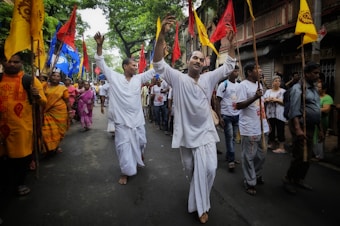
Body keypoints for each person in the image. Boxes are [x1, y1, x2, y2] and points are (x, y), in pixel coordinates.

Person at [152, 16, 236, 224]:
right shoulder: (178, 79)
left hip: (206, 132)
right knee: (191, 169)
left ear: (204, 63)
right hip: (186, 134)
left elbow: (229, 67)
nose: (198, 61)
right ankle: (197, 196)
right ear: (188, 61)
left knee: (209, 169)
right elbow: (158, 63)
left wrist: (232, 44)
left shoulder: (209, 78)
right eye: (194, 58)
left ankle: (201, 206)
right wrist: (161, 35)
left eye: (201, 59)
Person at [94, 32, 156, 185]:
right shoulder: (114, 77)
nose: (136, 67)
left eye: (136, 65)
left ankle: (140, 154)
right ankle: (126, 172)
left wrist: (161, 50)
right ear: (125, 66)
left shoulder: (139, 78)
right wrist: (99, 45)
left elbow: (156, 69)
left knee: (142, 142)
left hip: (137, 120)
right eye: (133, 65)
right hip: (121, 122)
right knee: (123, 148)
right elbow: (100, 62)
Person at [0, 51, 47, 196]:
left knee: (20, 158)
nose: (12, 64)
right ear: (2, 62)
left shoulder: (29, 80)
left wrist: (36, 95)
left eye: (16, 62)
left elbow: (43, 102)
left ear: (21, 64)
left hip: (21, 128)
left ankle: (20, 183)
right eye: (9, 61)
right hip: (1, 127)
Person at [282, 62, 323, 195]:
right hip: (299, 125)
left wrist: (320, 128)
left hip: (312, 126)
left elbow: (316, 109)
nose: (317, 75)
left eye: (318, 73)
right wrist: (298, 129)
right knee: (299, 154)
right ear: (306, 74)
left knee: (308, 155)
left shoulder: (314, 89)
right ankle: (288, 179)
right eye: (315, 73)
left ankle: (299, 178)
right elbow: (294, 110)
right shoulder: (298, 89)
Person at [235, 62, 269, 196]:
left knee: (262, 155)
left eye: (260, 67)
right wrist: (255, 96)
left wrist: (267, 122)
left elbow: (261, 106)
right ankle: (250, 182)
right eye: (257, 68)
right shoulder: (243, 86)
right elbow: (238, 105)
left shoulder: (259, 85)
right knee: (249, 156)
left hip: (262, 126)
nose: (260, 70)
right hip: (249, 128)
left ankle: (256, 174)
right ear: (249, 72)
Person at [41, 68, 72, 154]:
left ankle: (56, 145)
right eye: (53, 75)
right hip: (46, 112)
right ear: (50, 77)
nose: (55, 77)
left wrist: (70, 112)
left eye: (58, 76)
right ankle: (48, 147)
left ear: (60, 79)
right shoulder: (44, 86)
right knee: (46, 131)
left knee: (59, 131)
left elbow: (67, 101)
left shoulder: (63, 88)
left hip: (60, 113)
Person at [216, 65, 240, 171]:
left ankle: (229, 155)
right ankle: (231, 160)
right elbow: (217, 101)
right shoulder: (223, 85)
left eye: (237, 71)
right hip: (227, 116)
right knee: (229, 138)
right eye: (234, 71)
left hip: (237, 115)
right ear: (229, 72)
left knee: (234, 138)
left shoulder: (239, 85)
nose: (236, 73)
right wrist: (219, 116)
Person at [264, 75, 286, 153]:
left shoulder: (283, 91)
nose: (277, 82)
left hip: (280, 114)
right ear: (272, 82)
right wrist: (267, 100)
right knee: (271, 130)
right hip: (270, 114)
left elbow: (285, 102)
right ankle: (272, 143)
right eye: (276, 81)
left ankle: (282, 147)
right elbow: (264, 100)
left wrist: (276, 100)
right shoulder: (268, 91)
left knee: (280, 129)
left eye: (279, 81)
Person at [312, 80, 333, 161]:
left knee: (319, 137)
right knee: (313, 137)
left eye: (319, 87)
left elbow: (326, 109)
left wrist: (314, 109)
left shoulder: (327, 98)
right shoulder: (315, 96)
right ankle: (314, 153)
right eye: (317, 87)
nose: (317, 88)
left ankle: (320, 155)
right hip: (314, 120)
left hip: (322, 120)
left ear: (324, 89)